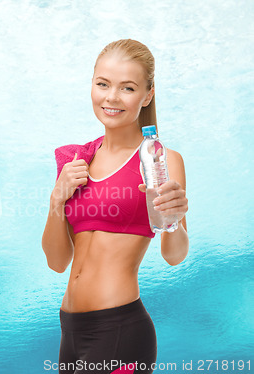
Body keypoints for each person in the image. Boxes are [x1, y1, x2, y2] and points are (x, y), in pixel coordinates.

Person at [41, 39, 189, 374]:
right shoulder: (76, 160)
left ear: (147, 95)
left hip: (120, 329)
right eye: (103, 84)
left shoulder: (159, 160)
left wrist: (174, 220)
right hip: (70, 331)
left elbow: (174, 254)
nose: (111, 97)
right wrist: (56, 198)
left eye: (128, 88)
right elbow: (57, 261)